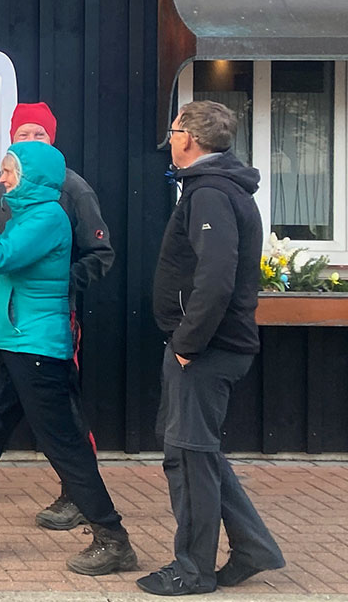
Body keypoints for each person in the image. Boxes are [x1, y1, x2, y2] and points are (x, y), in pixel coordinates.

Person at [0, 141, 137, 576]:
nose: (3, 179)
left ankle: (113, 539)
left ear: (32, 177)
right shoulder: (25, 214)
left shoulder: (47, 217)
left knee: (65, 444)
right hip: (8, 343)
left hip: (35, 349)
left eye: (10, 171)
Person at [137, 101, 284, 595]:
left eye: (174, 129)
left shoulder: (211, 195)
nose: (170, 138)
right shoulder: (213, 189)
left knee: (189, 455)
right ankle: (253, 546)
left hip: (204, 349)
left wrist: (187, 343)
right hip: (207, 346)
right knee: (196, 451)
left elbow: (216, 278)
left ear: (189, 138)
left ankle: (193, 571)